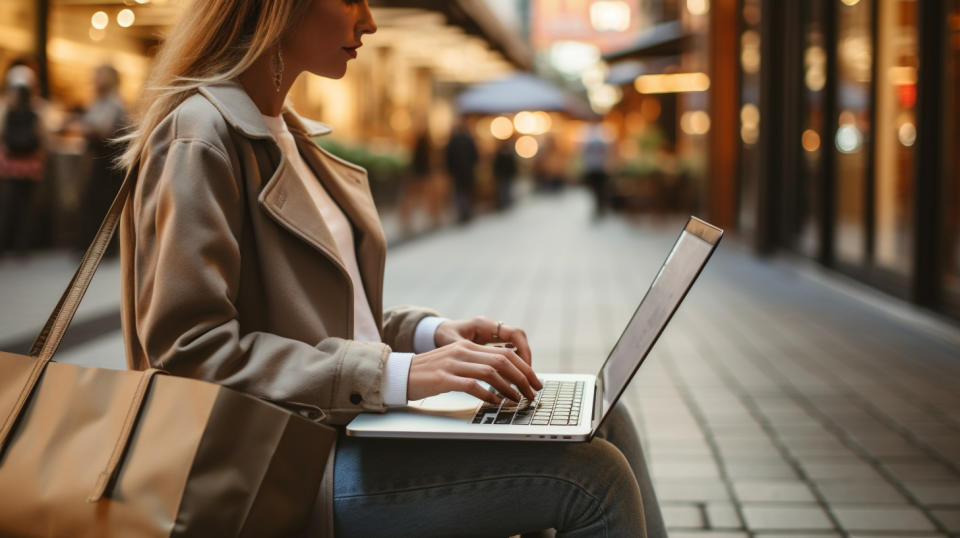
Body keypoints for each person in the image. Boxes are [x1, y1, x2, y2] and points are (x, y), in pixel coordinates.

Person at [117, 1, 666, 536]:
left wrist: (430, 335)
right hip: (278, 464)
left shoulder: (290, 134)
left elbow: (327, 323)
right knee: (592, 479)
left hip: (340, 428)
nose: (369, 21)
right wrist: (397, 375)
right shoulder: (199, 133)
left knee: (605, 419)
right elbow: (189, 349)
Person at [77, 64, 127, 254]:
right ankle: (90, 244)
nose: (96, 79)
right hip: (95, 157)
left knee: (102, 202)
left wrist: (86, 127)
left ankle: (103, 248)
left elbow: (103, 129)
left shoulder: (114, 102)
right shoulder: (96, 101)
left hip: (105, 160)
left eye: (99, 75)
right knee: (90, 201)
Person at [0, 65, 45, 256]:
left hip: (13, 164)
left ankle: (9, 244)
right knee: (24, 206)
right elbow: (42, 137)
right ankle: (21, 246)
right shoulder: (35, 111)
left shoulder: (7, 111)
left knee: (10, 205)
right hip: (28, 164)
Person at [444, 118, 478, 224]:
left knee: (459, 192)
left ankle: (462, 213)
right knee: (467, 191)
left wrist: (450, 169)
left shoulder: (453, 141)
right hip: (467, 170)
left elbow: (448, 157)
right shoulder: (469, 139)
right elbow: (475, 156)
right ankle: (467, 212)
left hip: (457, 171)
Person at [492, 136, 517, 210]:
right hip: (502, 174)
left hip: (507, 174)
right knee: (503, 189)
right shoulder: (500, 153)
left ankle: (507, 202)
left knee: (507, 188)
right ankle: (504, 203)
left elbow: (513, 164)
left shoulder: (509, 153)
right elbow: (496, 165)